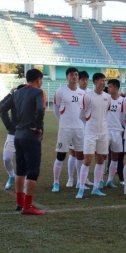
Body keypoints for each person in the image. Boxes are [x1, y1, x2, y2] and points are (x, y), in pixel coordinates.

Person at [0, 69, 45, 215]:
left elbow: (3, 108)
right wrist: (38, 127)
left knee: (20, 170)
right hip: (30, 135)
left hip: (17, 135)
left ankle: (20, 204)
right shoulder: (38, 92)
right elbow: (40, 110)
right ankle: (27, 206)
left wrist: (12, 126)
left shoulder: (17, 93)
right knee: (33, 171)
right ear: (38, 79)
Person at [76, 73, 111, 199]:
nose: (104, 83)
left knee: (101, 160)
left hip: (103, 132)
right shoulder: (87, 96)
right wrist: (91, 124)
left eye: (105, 80)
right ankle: (80, 188)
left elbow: (105, 113)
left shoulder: (108, 97)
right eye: (102, 80)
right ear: (95, 81)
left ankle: (95, 188)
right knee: (87, 160)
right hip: (90, 132)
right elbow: (82, 115)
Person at [52, 67, 85, 192]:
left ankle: (79, 182)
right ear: (67, 77)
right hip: (65, 128)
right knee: (61, 155)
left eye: (76, 75)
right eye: (72, 75)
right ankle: (56, 182)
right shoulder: (60, 91)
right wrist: (62, 121)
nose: (74, 77)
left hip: (79, 128)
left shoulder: (82, 93)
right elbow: (55, 108)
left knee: (80, 155)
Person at [0, 84, 25, 190]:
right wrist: (10, 94)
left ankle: (25, 182)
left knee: (25, 159)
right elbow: (1, 108)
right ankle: (11, 176)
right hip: (13, 133)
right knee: (6, 158)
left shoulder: (30, 100)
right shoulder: (14, 98)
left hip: (26, 134)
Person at [104, 79, 124, 188]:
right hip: (105, 130)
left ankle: (110, 181)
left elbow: (124, 117)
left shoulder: (123, 101)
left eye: (110, 86)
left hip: (117, 131)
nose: (108, 88)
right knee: (102, 156)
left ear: (116, 88)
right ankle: (99, 181)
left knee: (115, 156)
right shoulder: (105, 99)